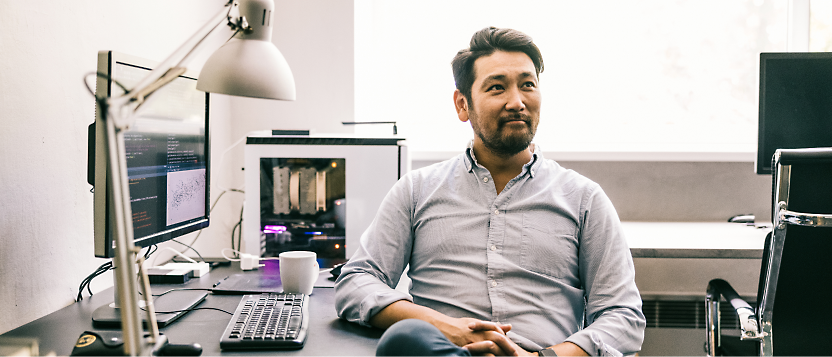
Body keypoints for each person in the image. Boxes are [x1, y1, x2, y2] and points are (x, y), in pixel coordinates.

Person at [334, 27, 645, 357]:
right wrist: (443, 327)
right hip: (440, 351)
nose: (517, 102)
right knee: (405, 338)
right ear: (462, 105)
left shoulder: (584, 199)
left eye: (528, 85)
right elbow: (356, 282)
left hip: (541, 354)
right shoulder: (416, 190)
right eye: (497, 88)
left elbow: (623, 317)